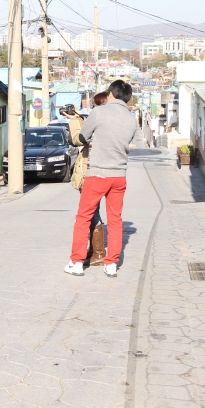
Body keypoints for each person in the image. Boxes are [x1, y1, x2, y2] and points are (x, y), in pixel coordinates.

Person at [65, 80, 137, 277]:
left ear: (111, 94)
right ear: (127, 98)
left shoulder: (99, 112)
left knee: (83, 218)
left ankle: (77, 262)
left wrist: (76, 121)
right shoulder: (132, 120)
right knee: (115, 220)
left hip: (97, 174)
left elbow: (81, 138)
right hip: (119, 176)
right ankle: (111, 263)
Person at [62, 92, 108, 266]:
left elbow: (79, 139)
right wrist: (78, 117)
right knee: (93, 212)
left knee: (90, 214)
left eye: (96, 105)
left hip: (92, 174)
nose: (94, 108)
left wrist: (73, 121)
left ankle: (98, 253)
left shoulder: (101, 124)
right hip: (106, 173)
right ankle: (95, 251)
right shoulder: (108, 123)